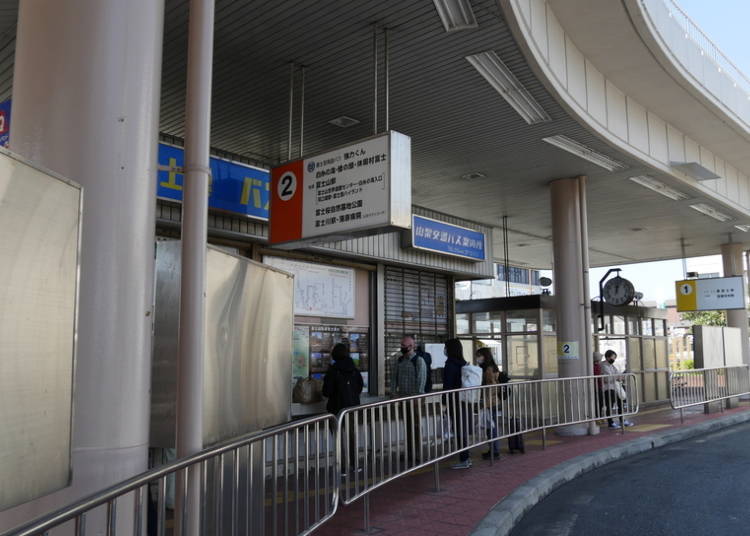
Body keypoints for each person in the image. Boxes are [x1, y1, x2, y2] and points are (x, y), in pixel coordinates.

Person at [322, 343, 364, 475]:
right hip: (352, 409)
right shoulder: (354, 370)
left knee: (338, 438)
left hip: (336, 409)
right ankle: (354, 464)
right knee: (352, 437)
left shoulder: (333, 371)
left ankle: (342, 467)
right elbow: (359, 388)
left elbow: (326, 392)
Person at [390, 335, 427, 464]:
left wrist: (418, 396)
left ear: (411, 346)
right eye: (401, 345)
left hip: (415, 399)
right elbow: (393, 377)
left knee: (415, 426)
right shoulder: (399, 360)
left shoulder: (418, 360)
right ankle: (409, 451)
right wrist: (393, 392)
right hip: (403, 398)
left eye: (404, 346)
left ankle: (417, 452)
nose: (402, 347)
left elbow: (421, 379)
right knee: (407, 426)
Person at [476, 347, 501, 460]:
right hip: (492, 402)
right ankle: (493, 450)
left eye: (479, 355)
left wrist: (485, 403)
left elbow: (491, 388)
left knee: (491, 426)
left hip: (490, 402)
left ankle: (494, 451)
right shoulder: (491, 367)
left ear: (485, 356)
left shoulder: (488, 369)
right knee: (491, 425)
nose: (478, 358)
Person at [600, 350, 634, 428]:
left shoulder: (611, 365)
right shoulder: (603, 365)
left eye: (615, 358)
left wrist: (618, 376)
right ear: (608, 357)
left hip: (615, 387)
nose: (614, 359)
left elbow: (617, 373)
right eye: (613, 358)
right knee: (610, 405)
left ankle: (622, 420)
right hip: (607, 388)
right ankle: (610, 423)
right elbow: (607, 378)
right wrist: (617, 377)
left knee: (620, 403)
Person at [593, 351, 603, 420]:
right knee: (599, 402)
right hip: (598, 387)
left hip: (596, 386)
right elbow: (599, 377)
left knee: (598, 402)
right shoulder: (597, 367)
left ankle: (598, 415)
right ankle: (598, 416)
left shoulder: (593, 366)